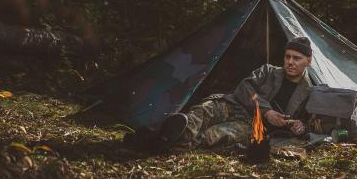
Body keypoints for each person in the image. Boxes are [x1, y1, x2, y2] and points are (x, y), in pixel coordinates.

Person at [126, 37, 314, 150]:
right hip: (235, 106)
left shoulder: (309, 91)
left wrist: (300, 127)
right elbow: (246, 89)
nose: (290, 62)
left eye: (297, 58)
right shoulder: (268, 71)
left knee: (211, 136)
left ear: (309, 61)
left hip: (253, 126)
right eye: (287, 56)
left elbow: (308, 122)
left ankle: (152, 139)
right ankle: (161, 138)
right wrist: (266, 110)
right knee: (200, 113)